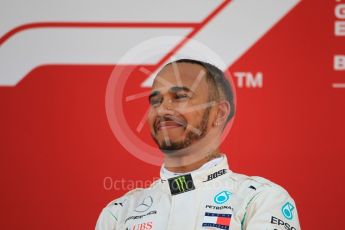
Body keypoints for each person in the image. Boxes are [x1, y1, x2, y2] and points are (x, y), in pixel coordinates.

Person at [96, 59, 301, 230]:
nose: (163, 109)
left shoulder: (259, 199)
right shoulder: (119, 213)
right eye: (156, 101)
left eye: (180, 97)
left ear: (219, 113)